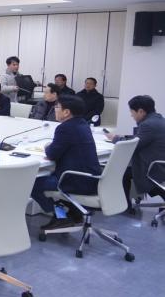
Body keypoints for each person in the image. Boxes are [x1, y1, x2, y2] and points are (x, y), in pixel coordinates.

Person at [30, 95, 101, 229]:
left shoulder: (65, 128)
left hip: (74, 180)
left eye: (57, 107)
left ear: (67, 112)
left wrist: (47, 147)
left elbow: (51, 153)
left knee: (31, 183)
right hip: (91, 179)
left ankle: (61, 216)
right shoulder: (83, 124)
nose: (55, 110)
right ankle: (74, 213)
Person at [106, 95, 165, 211]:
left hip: (154, 169)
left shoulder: (148, 125)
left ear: (141, 111)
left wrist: (115, 139)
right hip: (160, 163)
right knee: (126, 171)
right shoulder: (158, 120)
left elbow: (133, 145)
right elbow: (142, 139)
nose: (131, 115)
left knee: (120, 173)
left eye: (132, 112)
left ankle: (124, 206)